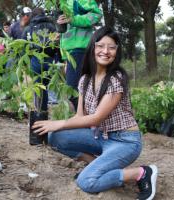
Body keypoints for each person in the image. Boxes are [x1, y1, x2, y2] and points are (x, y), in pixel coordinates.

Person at [32, 27, 158, 200]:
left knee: (86, 182)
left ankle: (141, 173)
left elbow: (97, 117)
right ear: (92, 48)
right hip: (100, 138)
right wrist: (55, 127)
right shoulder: (85, 80)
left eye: (111, 47)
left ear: (117, 51)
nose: (105, 51)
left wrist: (58, 123)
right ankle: (97, 165)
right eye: (100, 46)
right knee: (56, 137)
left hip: (125, 141)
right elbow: (80, 117)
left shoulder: (116, 79)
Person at [57, 0, 102, 110]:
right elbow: (67, 25)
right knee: (76, 90)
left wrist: (73, 20)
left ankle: (87, 118)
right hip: (68, 51)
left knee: (72, 90)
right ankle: (87, 118)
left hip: (80, 48)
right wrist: (59, 30)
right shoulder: (63, 2)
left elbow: (96, 15)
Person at [22, 7, 57, 111]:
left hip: (36, 59)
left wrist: (26, 60)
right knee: (46, 86)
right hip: (50, 59)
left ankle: (40, 110)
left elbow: (24, 45)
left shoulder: (29, 28)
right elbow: (57, 43)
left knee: (38, 86)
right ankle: (44, 109)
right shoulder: (52, 26)